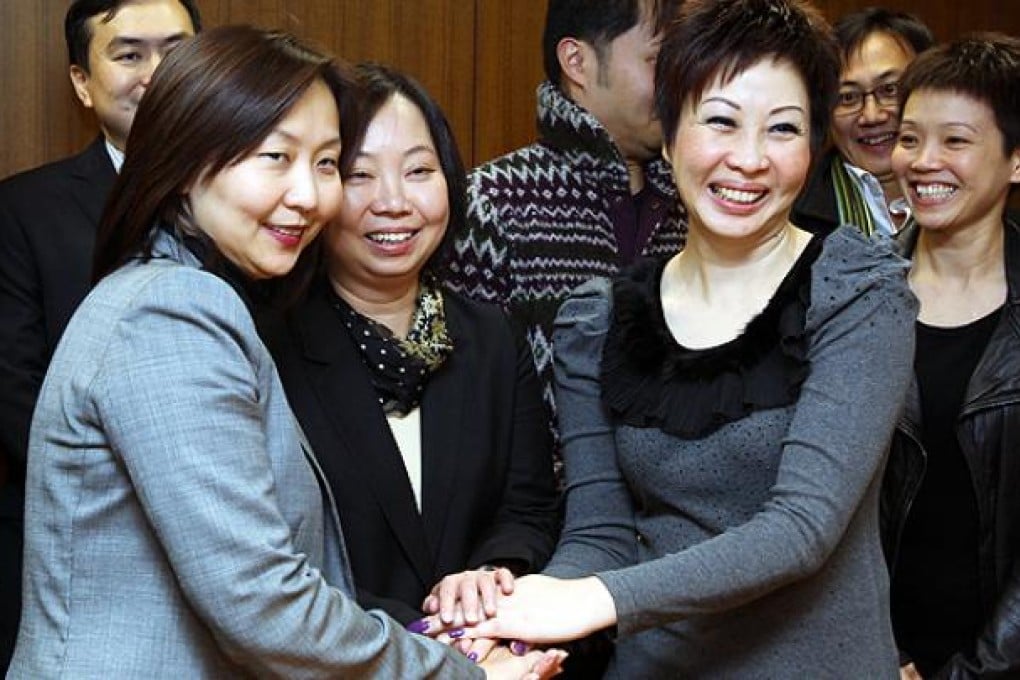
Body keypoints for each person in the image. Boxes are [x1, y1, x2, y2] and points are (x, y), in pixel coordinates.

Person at [7, 25, 565, 679]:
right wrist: (457, 669)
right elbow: (262, 603)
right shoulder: (172, 310)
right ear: (185, 158)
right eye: (276, 157)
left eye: (326, 163)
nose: (307, 195)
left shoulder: (182, 295)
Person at [424, 0, 918, 676]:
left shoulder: (858, 290)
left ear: (813, 146)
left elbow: (803, 529)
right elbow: (598, 532)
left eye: (782, 129)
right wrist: (511, 625)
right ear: (672, 129)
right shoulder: (596, 320)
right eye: (719, 121)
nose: (748, 160)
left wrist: (589, 600)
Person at [260, 63, 560, 632]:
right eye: (359, 175)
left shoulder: (491, 337)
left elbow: (528, 506)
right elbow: (277, 556)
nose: (395, 202)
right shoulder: (271, 343)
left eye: (419, 170)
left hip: (482, 648)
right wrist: (426, 635)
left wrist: (488, 576)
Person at [0, 0, 201, 669]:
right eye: (129, 54)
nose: (157, 73)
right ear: (82, 83)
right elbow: (15, 392)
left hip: (244, 538)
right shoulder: (23, 210)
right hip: (87, 548)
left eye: (176, 50)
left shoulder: (266, 200)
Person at [446, 0, 686, 475]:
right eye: (660, 61)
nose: (681, 85)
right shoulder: (490, 202)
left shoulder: (697, 205)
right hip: (544, 531)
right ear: (577, 62)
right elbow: (467, 418)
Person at [884, 33, 1020, 679]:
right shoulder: (852, 294)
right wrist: (884, 653)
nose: (923, 161)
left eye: (956, 141)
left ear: (1016, 160)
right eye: (910, 138)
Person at [793, 7, 933, 236]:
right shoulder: (791, 218)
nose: (872, 116)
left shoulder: (979, 209)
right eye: (847, 97)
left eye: (890, 90)